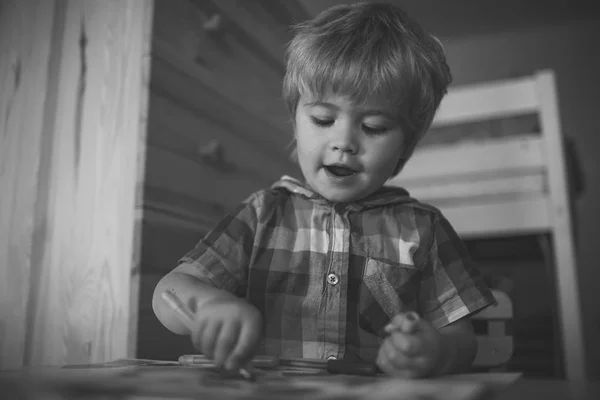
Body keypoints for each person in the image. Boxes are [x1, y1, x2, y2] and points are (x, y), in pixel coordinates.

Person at [152, 1, 495, 378]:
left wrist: (435, 350)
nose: (344, 141)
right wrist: (209, 305)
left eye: (375, 127)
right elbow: (170, 290)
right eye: (323, 119)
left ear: (405, 147)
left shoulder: (424, 229)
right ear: (296, 122)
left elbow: (463, 340)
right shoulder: (261, 215)